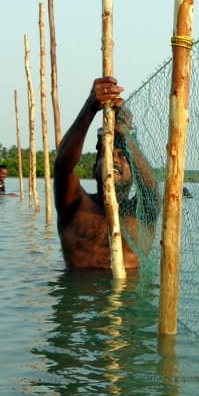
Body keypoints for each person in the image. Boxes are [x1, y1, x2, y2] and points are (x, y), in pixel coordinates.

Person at [53, 76, 159, 272]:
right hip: (83, 299)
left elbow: (151, 186)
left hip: (129, 302)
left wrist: (125, 133)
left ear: (134, 170)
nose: (114, 159)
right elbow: (62, 167)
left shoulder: (143, 213)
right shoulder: (75, 206)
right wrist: (90, 107)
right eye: (107, 152)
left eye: (122, 155)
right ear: (94, 168)